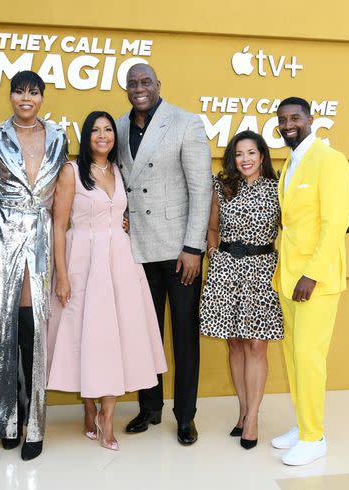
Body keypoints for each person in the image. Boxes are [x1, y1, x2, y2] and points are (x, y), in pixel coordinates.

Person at [47, 111, 167, 451]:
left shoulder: (119, 170)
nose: (103, 136)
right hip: (82, 260)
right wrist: (61, 274)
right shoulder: (71, 172)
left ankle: (107, 417)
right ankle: (88, 407)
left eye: (108, 130)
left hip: (121, 262)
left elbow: (120, 213)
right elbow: (58, 226)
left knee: (118, 337)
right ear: (86, 137)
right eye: (96, 130)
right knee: (84, 334)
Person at [0, 71, 68, 461]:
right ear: (10, 96)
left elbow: (67, 187)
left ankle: (36, 428)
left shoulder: (58, 137)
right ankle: (6, 420)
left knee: (37, 328)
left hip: (40, 234)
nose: (26, 98)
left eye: (34, 92)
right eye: (19, 91)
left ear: (42, 98)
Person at [116, 63, 212, 445]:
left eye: (146, 82)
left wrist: (193, 248)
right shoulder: (118, 127)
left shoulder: (186, 123)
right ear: (126, 90)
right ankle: (149, 407)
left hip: (178, 249)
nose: (139, 88)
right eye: (132, 84)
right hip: (138, 248)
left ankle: (185, 416)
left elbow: (201, 189)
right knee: (145, 335)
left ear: (158, 85)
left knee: (185, 336)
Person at [271, 97, 349, 466]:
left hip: (314, 281)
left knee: (309, 357)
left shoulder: (330, 160)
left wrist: (311, 274)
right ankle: (303, 424)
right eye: (283, 119)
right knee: (293, 356)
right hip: (287, 278)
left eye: (296, 118)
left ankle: (313, 437)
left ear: (310, 120)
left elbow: (336, 223)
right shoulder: (289, 162)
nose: (289, 124)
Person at [199, 130, 283, 450]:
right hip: (226, 269)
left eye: (251, 152)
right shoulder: (223, 188)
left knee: (256, 345)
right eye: (239, 154)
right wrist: (213, 252)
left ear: (262, 155)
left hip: (262, 270)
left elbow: (291, 228)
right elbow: (212, 227)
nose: (245, 159)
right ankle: (243, 410)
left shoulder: (277, 189)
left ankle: (253, 418)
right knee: (235, 344)